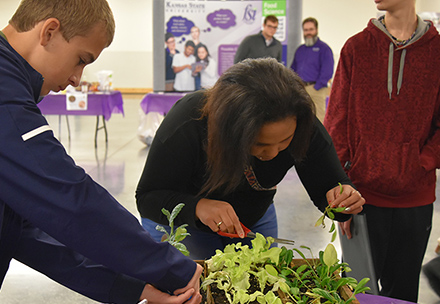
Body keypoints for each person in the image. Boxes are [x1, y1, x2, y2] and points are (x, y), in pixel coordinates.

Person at [0, 0, 203, 304]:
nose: (76, 79)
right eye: (82, 59)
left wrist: (133, 288)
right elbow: (65, 195)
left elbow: (26, 225)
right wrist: (172, 267)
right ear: (49, 31)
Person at [136, 58, 365, 260]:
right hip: (184, 223)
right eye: (260, 144)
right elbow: (148, 197)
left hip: (253, 218)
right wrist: (198, 207)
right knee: (191, 295)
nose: (274, 153)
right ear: (231, 131)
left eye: (285, 141)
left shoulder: (302, 124)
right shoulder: (189, 122)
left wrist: (342, 198)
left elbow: (329, 185)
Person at [324, 0, 440, 303]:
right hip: (362, 196)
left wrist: (421, 161)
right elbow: (336, 123)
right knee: (356, 298)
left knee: (402, 299)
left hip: (415, 198)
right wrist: (340, 195)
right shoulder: (356, 48)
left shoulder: (437, 52)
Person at [290, 17, 334, 122]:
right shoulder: (300, 50)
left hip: (316, 90)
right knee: (301, 120)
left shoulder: (324, 49)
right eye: (306, 30)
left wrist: (316, 87)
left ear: (316, 30)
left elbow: (327, 71)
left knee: (318, 120)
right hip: (300, 90)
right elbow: (292, 69)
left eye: (311, 29)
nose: (308, 32)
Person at [190, 26, 205, 90]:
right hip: (188, 72)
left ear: (199, 33)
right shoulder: (189, 46)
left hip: (199, 74)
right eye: (192, 32)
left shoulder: (202, 46)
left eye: (196, 31)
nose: (194, 33)